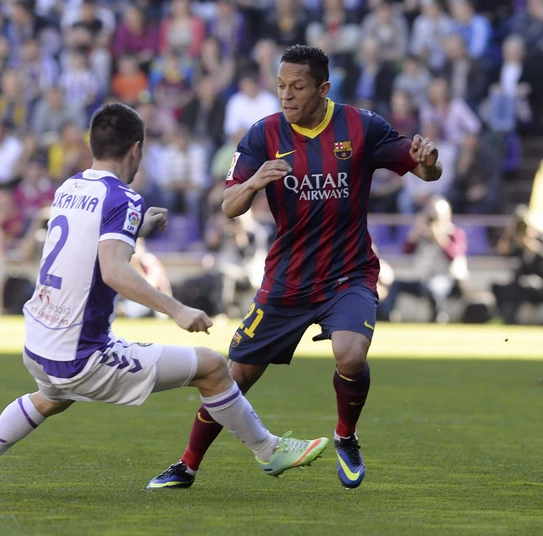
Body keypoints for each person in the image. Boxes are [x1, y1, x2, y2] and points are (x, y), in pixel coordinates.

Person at [0, 103, 328, 493]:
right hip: (81, 354)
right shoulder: (123, 197)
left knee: (51, 397)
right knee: (211, 367)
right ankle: (269, 450)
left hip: (39, 341)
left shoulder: (70, 187)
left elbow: (84, 241)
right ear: (136, 149)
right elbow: (113, 271)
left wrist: (135, 226)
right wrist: (176, 308)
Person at [148, 45, 442, 491]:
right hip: (288, 278)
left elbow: (424, 171)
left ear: (323, 89)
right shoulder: (263, 134)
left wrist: (429, 161)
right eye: (281, 86)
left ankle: (346, 436)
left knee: (351, 354)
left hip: (348, 272)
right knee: (235, 376)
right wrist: (254, 181)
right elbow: (229, 206)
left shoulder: (361, 126)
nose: (286, 95)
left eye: (297, 87)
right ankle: (187, 465)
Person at [379, 196, 469, 324]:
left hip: (447, 279)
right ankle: (387, 315)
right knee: (396, 284)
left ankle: (438, 317)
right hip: (423, 279)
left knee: (435, 286)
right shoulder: (422, 233)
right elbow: (406, 250)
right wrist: (417, 231)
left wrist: (440, 237)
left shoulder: (455, 233)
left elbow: (454, 255)